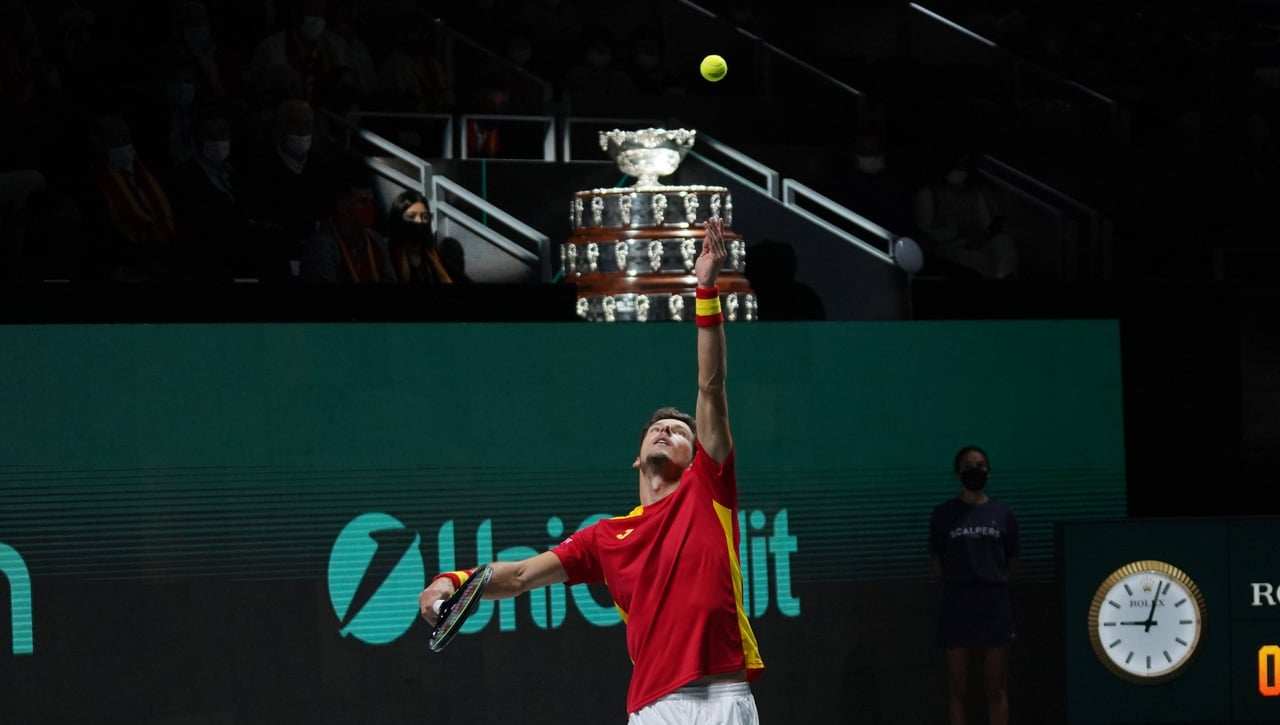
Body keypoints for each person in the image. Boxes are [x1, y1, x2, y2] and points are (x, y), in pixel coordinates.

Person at [418, 216, 765, 724]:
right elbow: (517, 577)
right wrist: (450, 580)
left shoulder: (708, 492)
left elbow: (710, 388)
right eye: (657, 428)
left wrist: (706, 289)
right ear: (636, 455)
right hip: (654, 708)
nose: (666, 431)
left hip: (722, 698)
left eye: (680, 432)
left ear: (700, 459)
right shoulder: (606, 539)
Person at [927, 445, 1020, 725]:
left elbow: (1011, 559)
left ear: (988, 471)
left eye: (980, 465)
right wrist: (957, 583)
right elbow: (936, 557)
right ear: (957, 474)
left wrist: (991, 579)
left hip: (994, 606)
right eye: (967, 465)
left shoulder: (1003, 513)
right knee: (958, 691)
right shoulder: (943, 513)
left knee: (996, 688)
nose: (974, 470)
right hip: (958, 604)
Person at [912, 151, 1018, 280]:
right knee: (981, 261)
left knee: (1003, 242)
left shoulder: (974, 194)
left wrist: (990, 230)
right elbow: (924, 237)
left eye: (965, 166)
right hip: (948, 247)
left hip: (976, 243)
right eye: (959, 165)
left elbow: (986, 226)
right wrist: (957, 230)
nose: (963, 170)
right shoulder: (929, 193)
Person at [298, 163, 395, 283]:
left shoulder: (377, 240)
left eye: (371, 202)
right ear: (342, 204)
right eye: (362, 201)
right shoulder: (322, 246)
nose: (369, 208)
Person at [385, 189, 469, 283]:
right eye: (411, 216)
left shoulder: (434, 256)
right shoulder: (387, 255)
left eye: (424, 217)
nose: (419, 221)